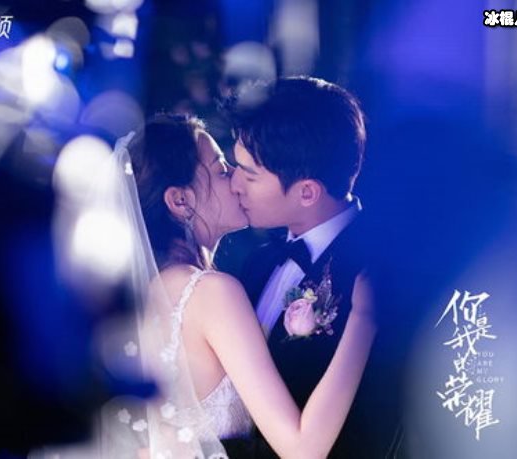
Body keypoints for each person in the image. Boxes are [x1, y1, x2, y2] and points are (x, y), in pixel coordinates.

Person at [81, 111, 376, 459]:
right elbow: (302, 449)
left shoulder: (146, 295)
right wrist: (365, 318)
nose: (237, 180)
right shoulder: (211, 292)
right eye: (222, 170)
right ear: (180, 201)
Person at [224, 76, 400, 458]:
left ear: (307, 191)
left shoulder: (379, 276)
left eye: (249, 174)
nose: (234, 184)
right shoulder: (257, 263)